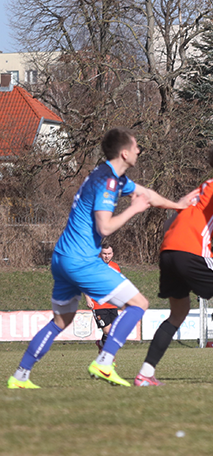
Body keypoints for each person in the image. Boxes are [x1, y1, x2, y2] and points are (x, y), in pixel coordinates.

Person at [8, 128, 195, 389]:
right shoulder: (107, 182)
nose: (139, 150)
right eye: (136, 146)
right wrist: (133, 209)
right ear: (125, 152)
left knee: (62, 321)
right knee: (138, 303)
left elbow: (147, 195)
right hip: (81, 260)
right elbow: (105, 227)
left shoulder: (109, 176)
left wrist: (178, 206)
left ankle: (20, 375)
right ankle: (105, 361)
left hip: (62, 258)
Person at [134, 139, 213, 386]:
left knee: (177, 313)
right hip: (192, 253)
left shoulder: (203, 187)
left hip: (168, 252)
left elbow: (167, 224)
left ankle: (145, 374)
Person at [85, 243, 122, 352]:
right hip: (98, 304)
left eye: (109, 254)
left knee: (113, 332)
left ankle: (101, 344)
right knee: (107, 331)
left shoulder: (115, 267)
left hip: (112, 304)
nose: (106, 256)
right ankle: (107, 354)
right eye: (104, 254)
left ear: (112, 254)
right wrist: (88, 299)